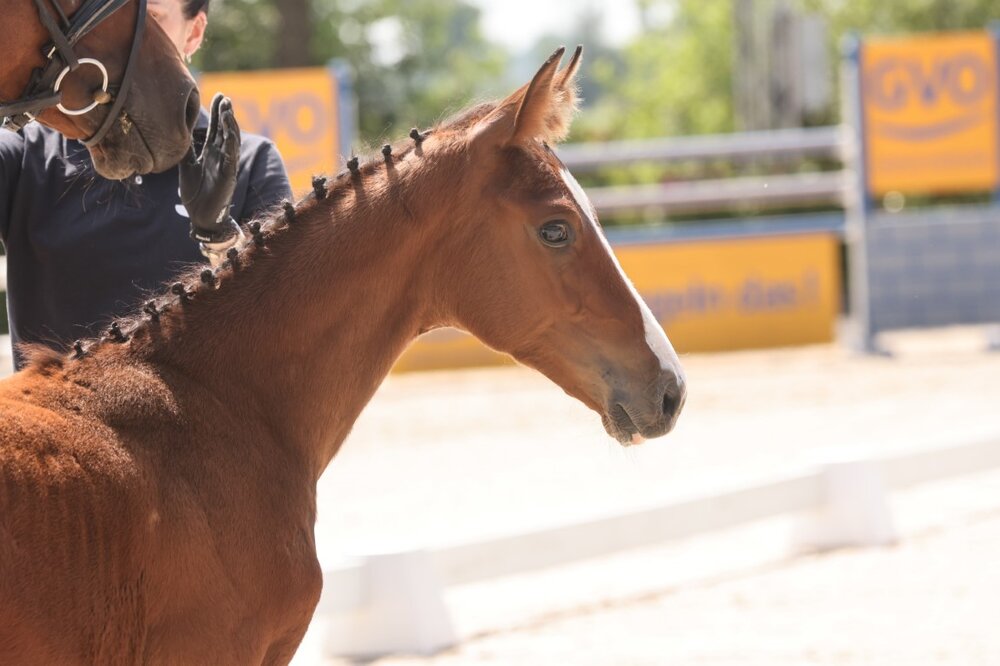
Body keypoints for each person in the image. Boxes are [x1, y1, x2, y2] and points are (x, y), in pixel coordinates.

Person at [0, 0, 291, 371]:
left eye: (152, 15)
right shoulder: (25, 153)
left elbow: (288, 328)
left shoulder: (252, 163)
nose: (135, 29)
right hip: (54, 409)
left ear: (194, 33)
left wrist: (221, 241)